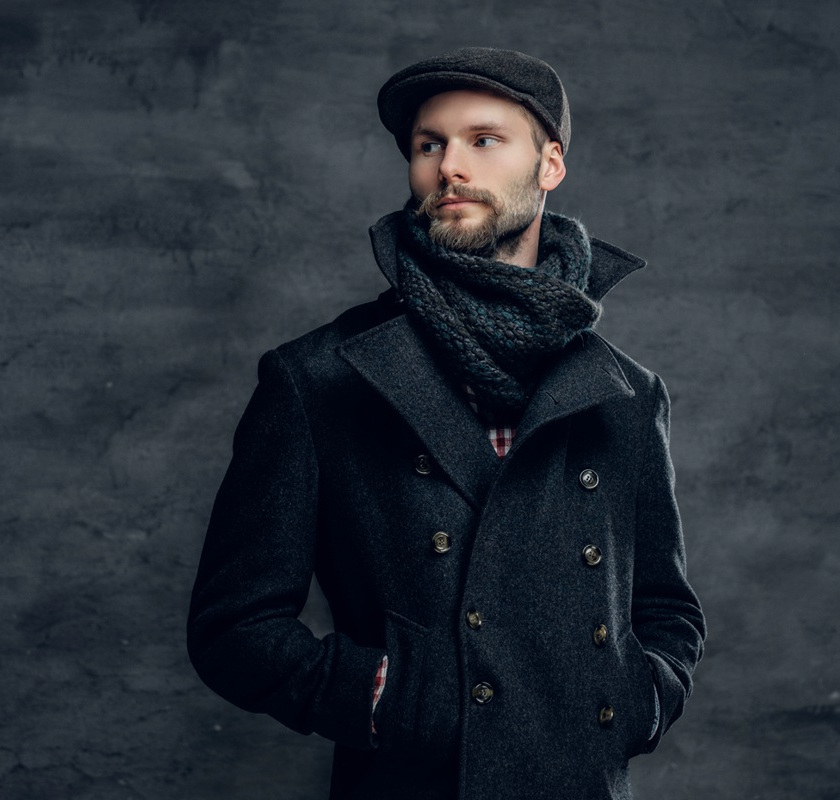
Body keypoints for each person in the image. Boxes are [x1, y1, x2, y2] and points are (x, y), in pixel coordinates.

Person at [187, 47, 706, 800]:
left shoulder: (624, 392)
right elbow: (231, 627)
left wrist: (637, 700)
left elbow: (664, 607)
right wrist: (385, 698)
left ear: (549, 164)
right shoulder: (319, 377)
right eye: (429, 144)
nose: (449, 167)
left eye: (483, 140)